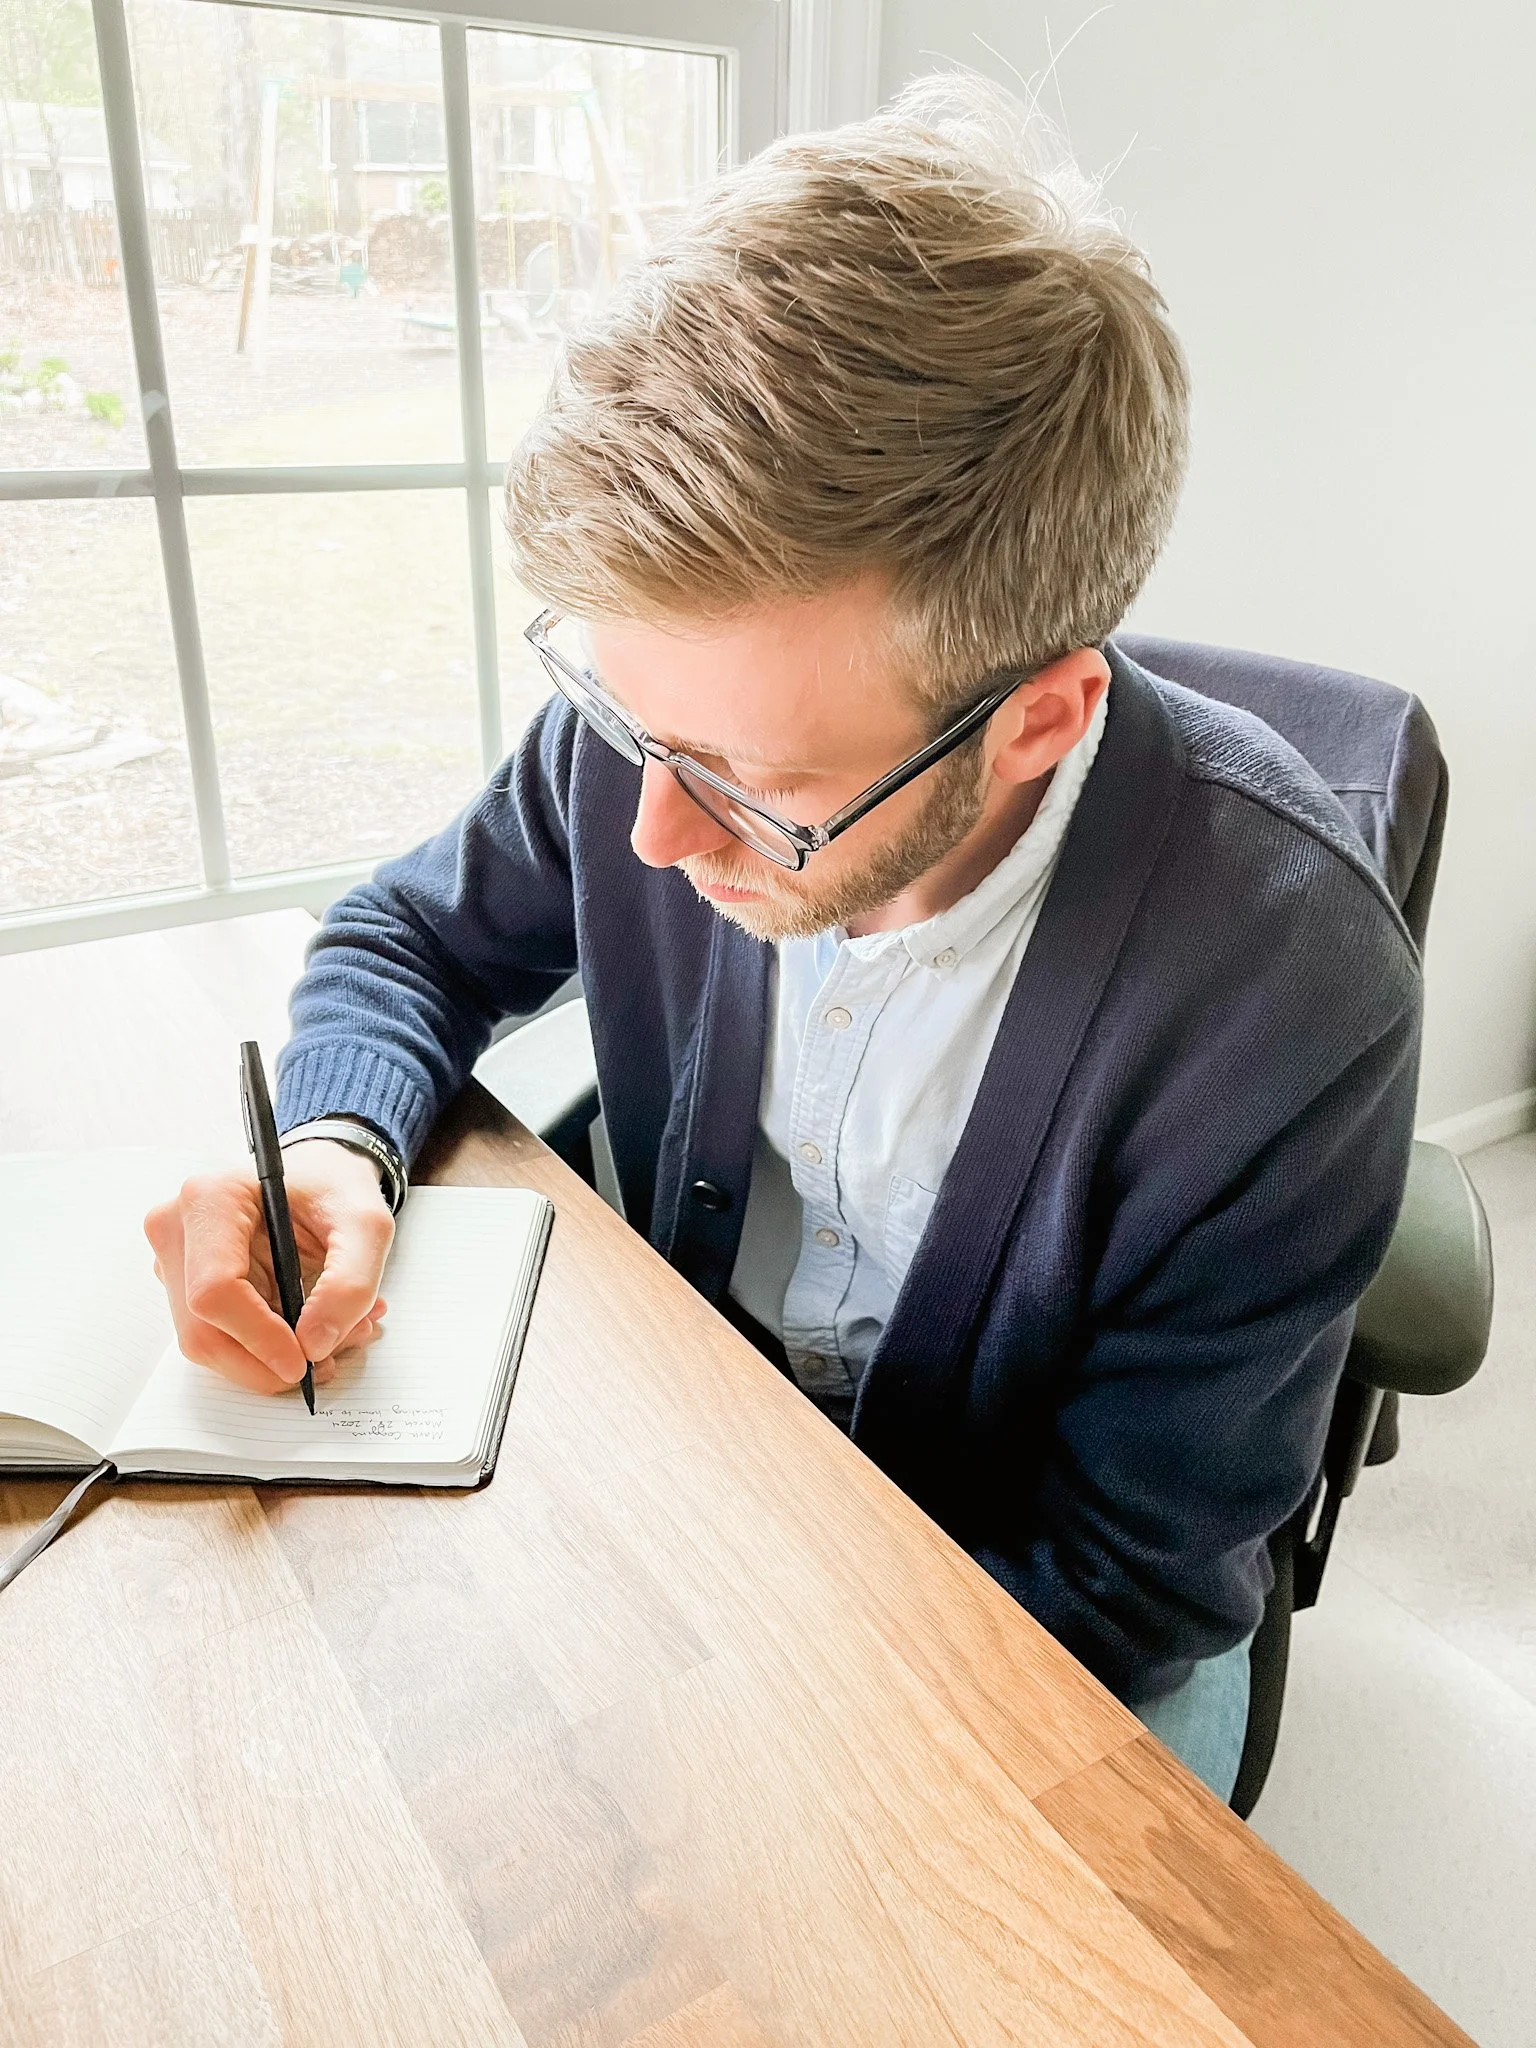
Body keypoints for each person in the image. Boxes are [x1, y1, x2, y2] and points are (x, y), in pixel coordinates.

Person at [144, 77, 1420, 1802]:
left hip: (1023, 1592)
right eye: (633, 731)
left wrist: (708, 1691)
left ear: (1035, 722)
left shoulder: (1292, 990)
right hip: (696, 1450)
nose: (656, 838)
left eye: (764, 789)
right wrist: (333, 1144)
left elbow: (1122, 1585)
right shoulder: (666, 735)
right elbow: (407, 938)